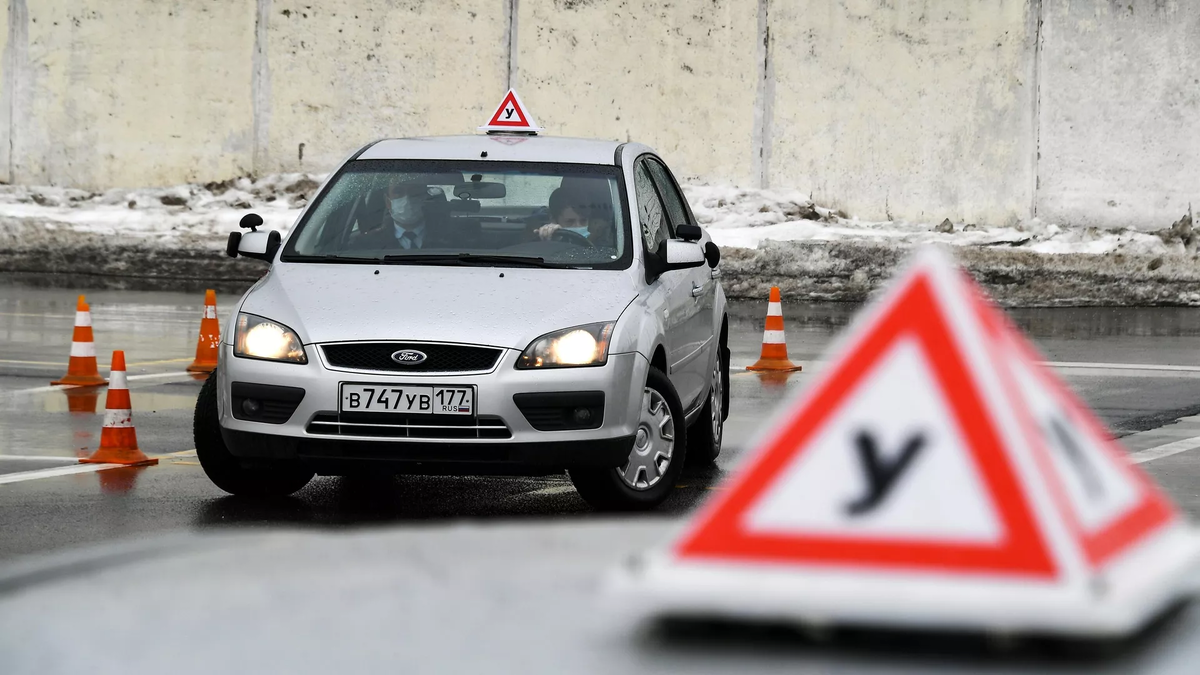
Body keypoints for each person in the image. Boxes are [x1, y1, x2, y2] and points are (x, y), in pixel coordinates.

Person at [355, 177, 453, 251]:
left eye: (415, 191)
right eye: (398, 191)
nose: (407, 199)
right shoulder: (365, 245)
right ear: (387, 202)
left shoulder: (454, 240)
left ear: (424, 198)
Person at [534, 186, 615, 247]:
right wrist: (550, 239)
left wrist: (591, 239)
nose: (578, 226)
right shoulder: (541, 240)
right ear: (554, 220)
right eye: (570, 221)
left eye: (583, 221)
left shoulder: (605, 242)